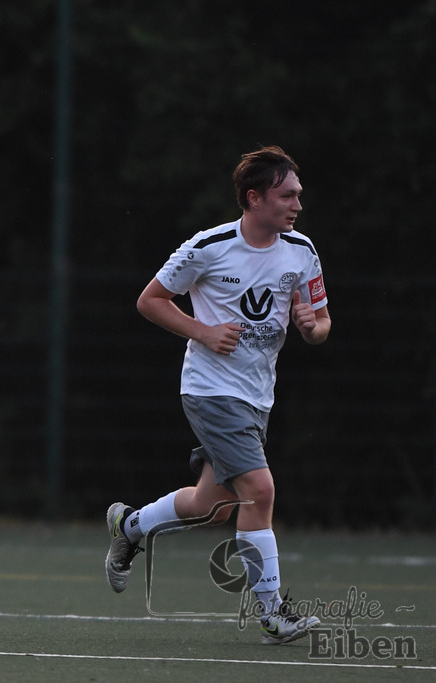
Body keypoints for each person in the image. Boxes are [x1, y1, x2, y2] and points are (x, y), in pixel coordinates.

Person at [105, 145, 331, 645]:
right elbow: (150, 300)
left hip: (257, 396)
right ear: (253, 198)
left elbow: (321, 322)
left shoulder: (302, 251)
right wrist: (202, 332)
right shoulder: (210, 245)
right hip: (211, 391)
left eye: (298, 195)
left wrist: (311, 328)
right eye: (286, 195)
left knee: (218, 505)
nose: (297, 204)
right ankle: (274, 615)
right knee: (261, 491)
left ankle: (131, 526)